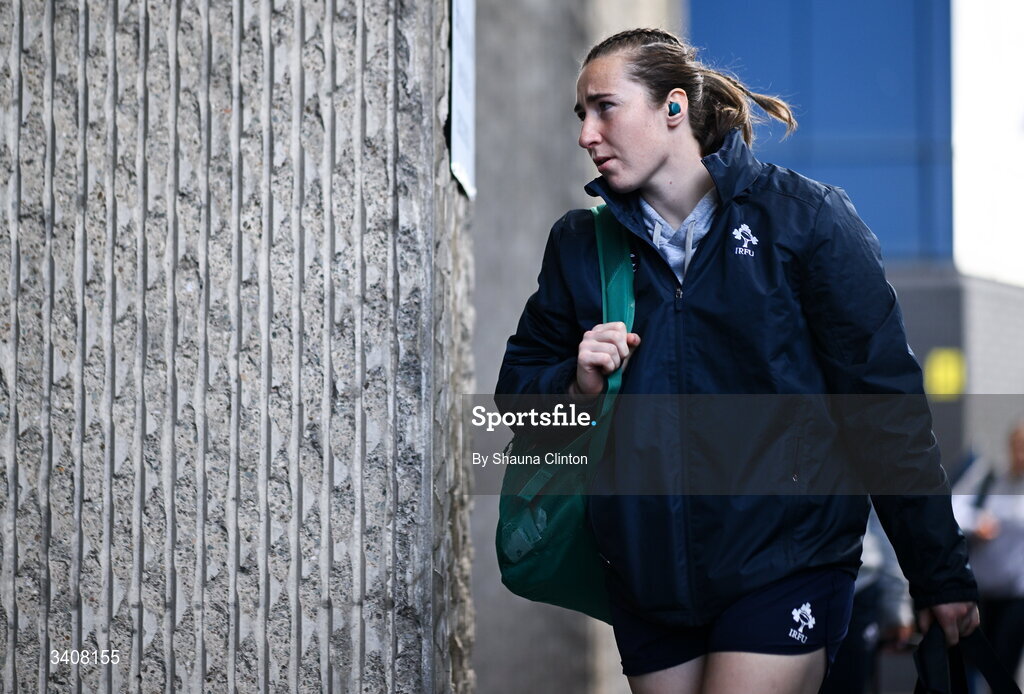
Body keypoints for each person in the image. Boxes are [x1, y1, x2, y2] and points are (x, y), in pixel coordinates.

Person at [496, 28, 979, 694]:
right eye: (581, 114)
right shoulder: (582, 247)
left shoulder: (803, 222)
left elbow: (883, 412)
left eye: (605, 107)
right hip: (647, 580)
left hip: (784, 564)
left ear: (673, 108)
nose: (587, 133)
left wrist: (938, 574)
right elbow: (515, 410)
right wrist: (575, 385)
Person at [952, 421, 1024, 685]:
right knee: (971, 663)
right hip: (981, 592)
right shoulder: (990, 478)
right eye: (1018, 446)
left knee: (1004, 665)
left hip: (1016, 595)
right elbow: (953, 508)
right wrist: (976, 522)